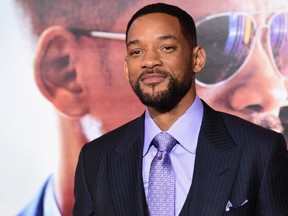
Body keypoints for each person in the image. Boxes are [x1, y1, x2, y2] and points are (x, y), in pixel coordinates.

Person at [14, 0, 288, 215]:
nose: (273, 91)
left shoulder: (263, 150)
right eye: (221, 42)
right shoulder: (94, 160)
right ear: (66, 72)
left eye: (281, 41)